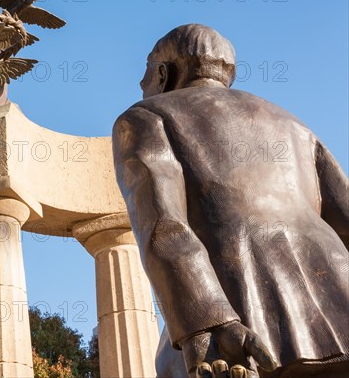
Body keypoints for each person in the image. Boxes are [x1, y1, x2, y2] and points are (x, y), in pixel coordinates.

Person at [112, 24, 349, 378]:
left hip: (239, 301)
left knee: (169, 364)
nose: (141, 84)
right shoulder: (292, 123)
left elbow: (162, 223)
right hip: (337, 292)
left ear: (163, 73)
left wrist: (203, 320)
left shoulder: (144, 117)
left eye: (145, 72)